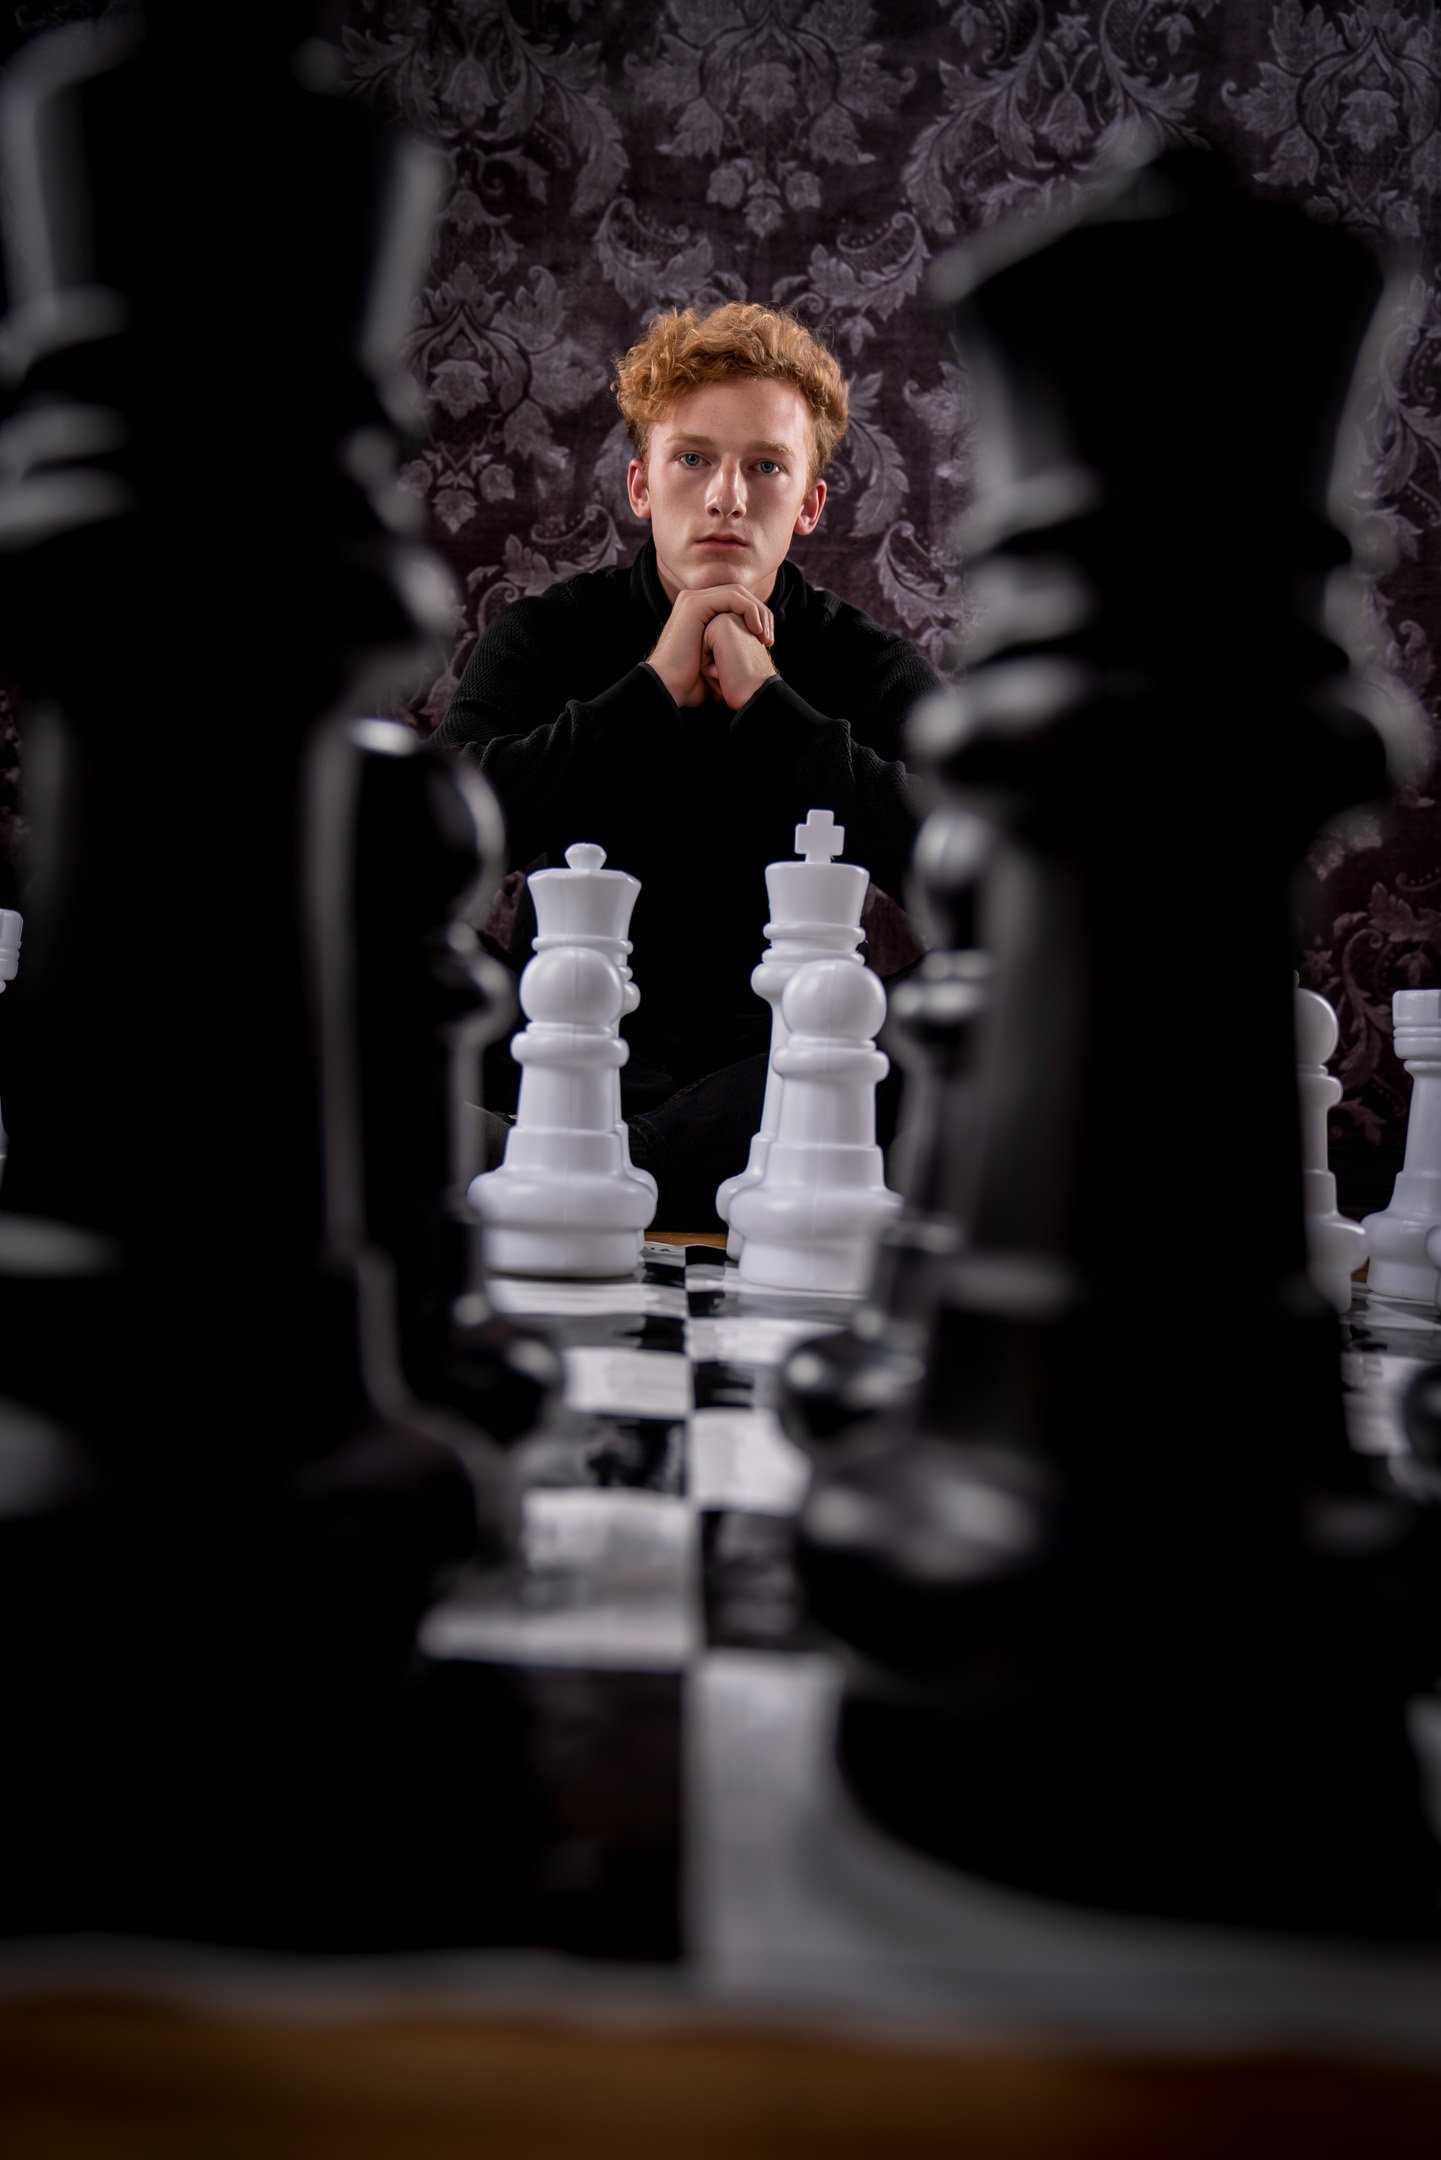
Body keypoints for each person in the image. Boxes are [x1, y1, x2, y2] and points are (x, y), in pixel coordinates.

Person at [433, 300, 941, 1223]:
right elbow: (423, 842)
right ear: (640, 485)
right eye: (694, 459)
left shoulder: (866, 666)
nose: (725, 497)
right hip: (553, 1036)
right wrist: (652, 690)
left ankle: (583, 1174)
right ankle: (653, 1176)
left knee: (979, 991)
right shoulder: (548, 635)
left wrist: (771, 709)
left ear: (811, 502)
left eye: (765, 467)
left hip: (779, 1066)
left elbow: (978, 877)